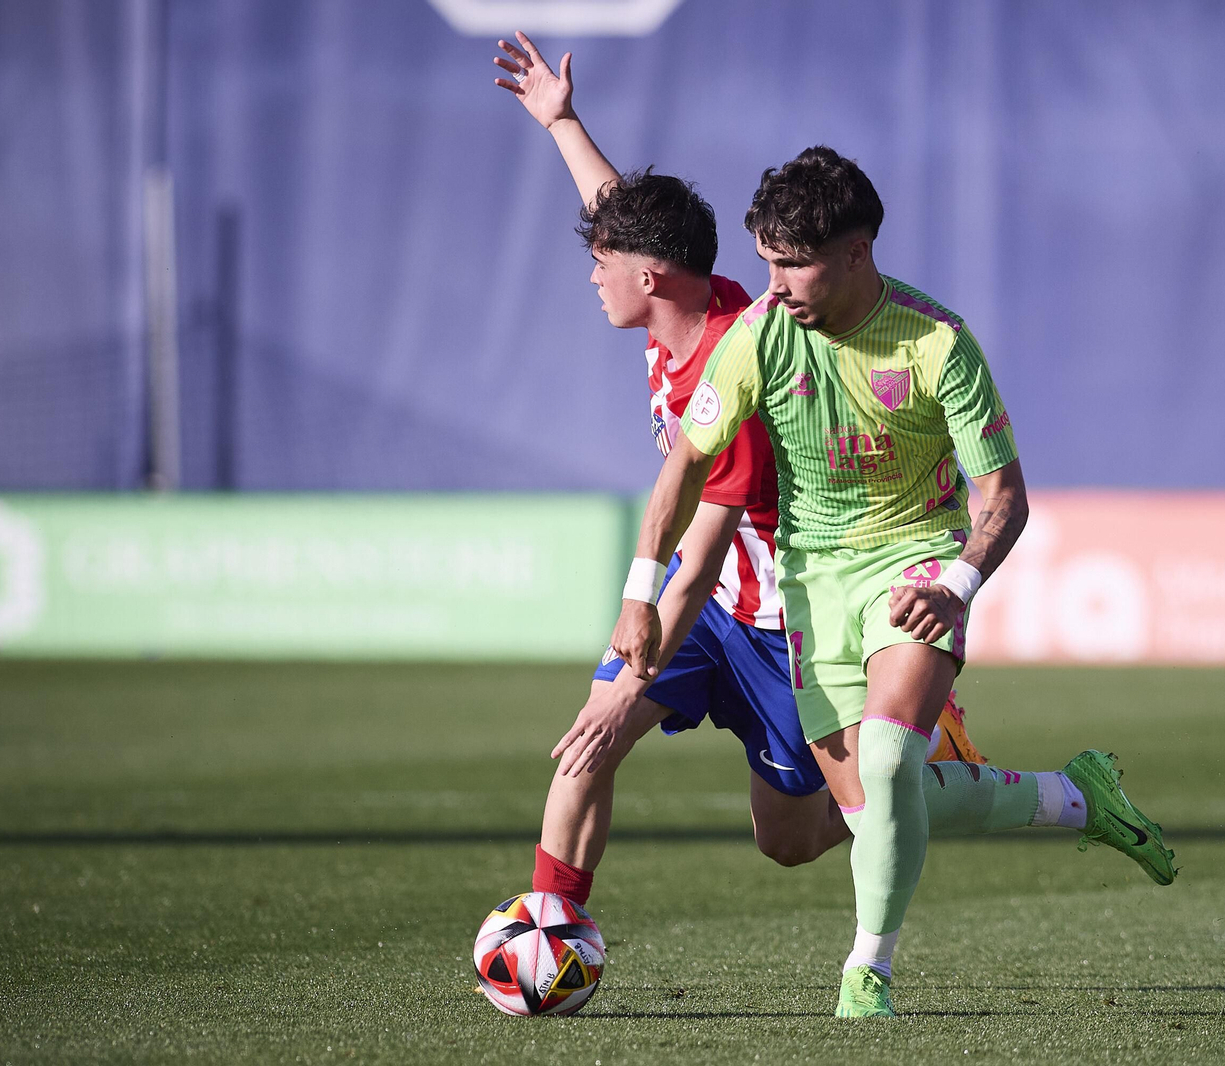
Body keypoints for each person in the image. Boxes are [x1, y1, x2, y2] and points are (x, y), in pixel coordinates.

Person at [611, 146, 1177, 1017]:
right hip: (813, 584)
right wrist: (640, 590)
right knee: (875, 806)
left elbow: (1005, 496)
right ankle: (1076, 797)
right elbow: (687, 462)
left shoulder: (935, 343)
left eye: (793, 263)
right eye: (766, 260)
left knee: (887, 753)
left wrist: (957, 582)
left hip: (916, 564)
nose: (777, 282)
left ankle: (866, 974)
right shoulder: (761, 333)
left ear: (857, 251)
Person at [489, 34, 988, 915]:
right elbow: (625, 222)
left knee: (789, 842)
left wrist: (633, 675)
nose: (592, 276)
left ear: (648, 278)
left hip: (774, 620)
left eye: (601, 264)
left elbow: (709, 549)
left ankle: (928, 775)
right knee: (587, 745)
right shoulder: (682, 301)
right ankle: (551, 930)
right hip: (704, 609)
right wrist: (563, 124)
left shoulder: (738, 370)